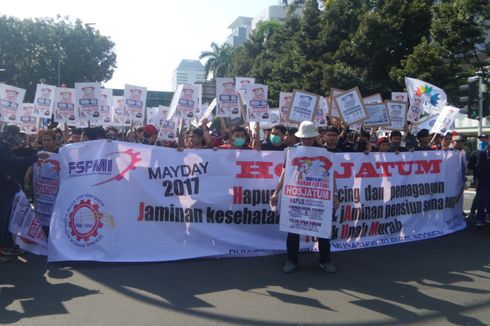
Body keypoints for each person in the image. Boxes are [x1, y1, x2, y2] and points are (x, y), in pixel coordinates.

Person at [270, 121, 338, 274]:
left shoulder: (324, 152)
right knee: (293, 228)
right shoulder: (292, 151)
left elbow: (331, 175)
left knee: (322, 228)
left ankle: (325, 260)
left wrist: (335, 194)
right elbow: (284, 172)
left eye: (310, 138)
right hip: (296, 196)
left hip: (318, 197)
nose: (307, 141)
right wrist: (276, 192)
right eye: (304, 138)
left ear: (315, 137)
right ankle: (291, 260)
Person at [0, 126, 48, 262]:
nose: (17, 138)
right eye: (15, 135)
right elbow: (13, 162)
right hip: (2, 189)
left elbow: (11, 163)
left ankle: (8, 246)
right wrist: (36, 157)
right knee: (2, 220)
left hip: (7, 187)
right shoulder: (2, 147)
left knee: (6, 219)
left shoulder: (4, 147)